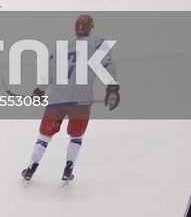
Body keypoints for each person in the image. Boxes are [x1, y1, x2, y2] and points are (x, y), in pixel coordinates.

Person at [21, 14, 120, 184]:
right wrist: (112, 88)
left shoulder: (61, 47)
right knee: (76, 137)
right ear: (91, 27)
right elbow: (107, 64)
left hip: (56, 100)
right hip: (80, 100)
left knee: (44, 136)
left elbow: (49, 70)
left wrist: (39, 90)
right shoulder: (98, 42)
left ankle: (31, 167)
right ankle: (68, 168)